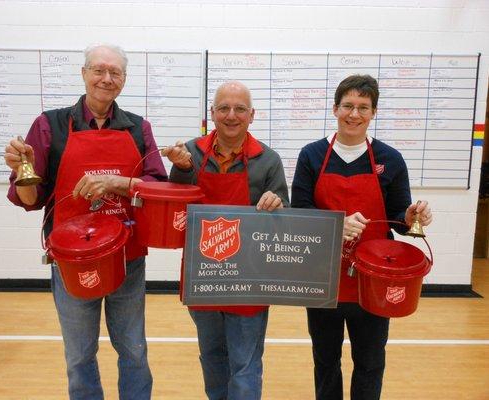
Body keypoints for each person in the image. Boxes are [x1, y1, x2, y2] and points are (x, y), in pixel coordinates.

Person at [4, 44, 167, 400]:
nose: (106, 79)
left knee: (134, 350)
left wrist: (117, 183)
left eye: (115, 73)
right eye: (99, 70)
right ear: (84, 73)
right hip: (71, 262)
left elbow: (157, 187)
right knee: (79, 354)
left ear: (124, 80)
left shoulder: (139, 128)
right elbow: (30, 201)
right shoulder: (49, 125)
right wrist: (21, 170)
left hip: (127, 258)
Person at [291, 74, 433, 400]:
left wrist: (412, 217)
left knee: (370, 361)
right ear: (335, 108)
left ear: (373, 113)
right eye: (348, 106)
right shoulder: (312, 155)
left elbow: (399, 219)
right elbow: (300, 213)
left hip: (375, 280)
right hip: (323, 278)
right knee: (325, 360)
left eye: (363, 107)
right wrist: (335, 226)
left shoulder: (390, 159)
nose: (354, 114)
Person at [162, 81, 289, 400]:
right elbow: (175, 204)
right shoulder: (190, 152)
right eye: (224, 108)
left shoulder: (268, 159)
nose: (231, 115)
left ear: (252, 115)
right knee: (213, 358)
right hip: (203, 276)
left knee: (245, 364)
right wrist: (178, 170)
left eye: (240, 109)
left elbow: (285, 215)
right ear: (212, 113)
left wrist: (276, 204)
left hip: (250, 280)